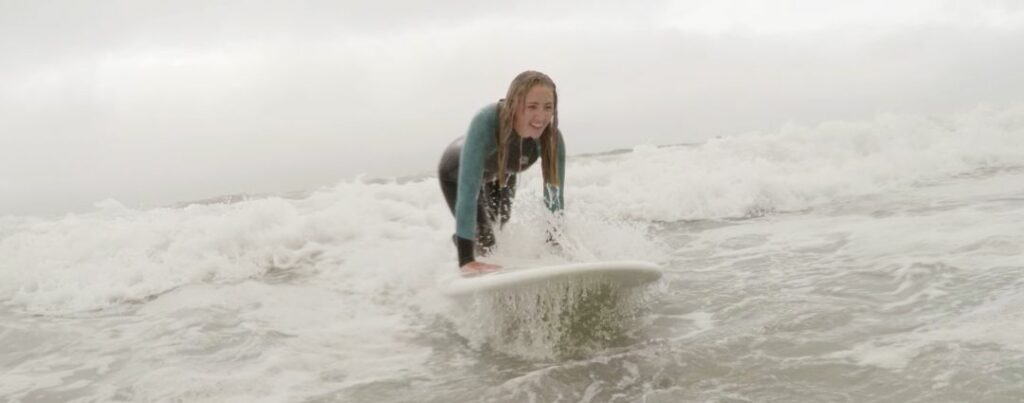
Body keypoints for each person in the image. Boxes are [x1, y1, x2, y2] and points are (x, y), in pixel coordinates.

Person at [437, 70, 566, 275]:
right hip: (457, 173)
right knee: (488, 240)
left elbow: (554, 199)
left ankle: (471, 240)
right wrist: (466, 260)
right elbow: (468, 192)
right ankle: (464, 246)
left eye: (548, 107)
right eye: (532, 106)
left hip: (500, 174)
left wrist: (555, 248)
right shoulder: (486, 122)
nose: (541, 116)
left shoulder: (551, 140)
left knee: (502, 220)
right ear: (514, 104)